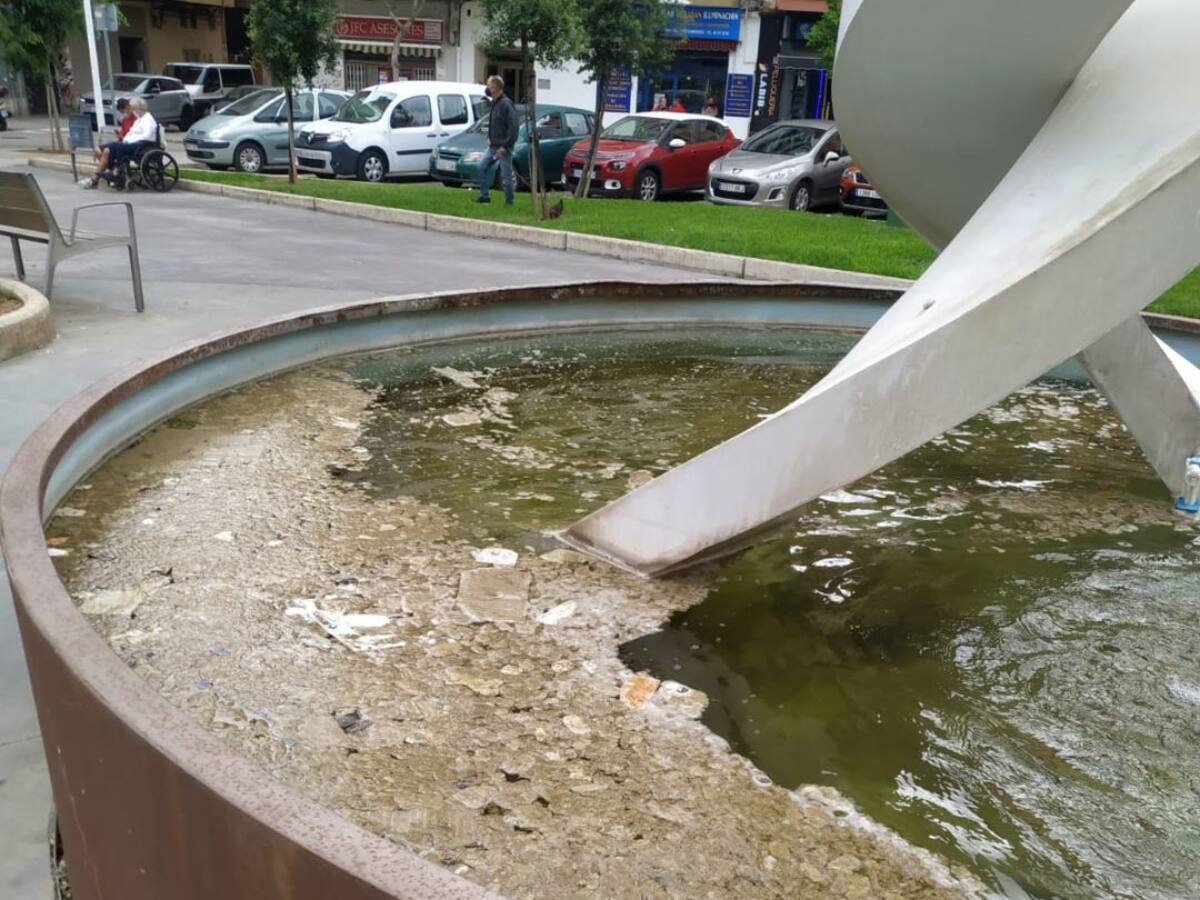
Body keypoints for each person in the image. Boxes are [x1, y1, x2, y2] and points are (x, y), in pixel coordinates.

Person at [80, 96, 158, 189]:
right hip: (131, 143)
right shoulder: (139, 119)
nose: (133, 111)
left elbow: (146, 136)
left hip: (141, 145)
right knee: (111, 147)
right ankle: (107, 163)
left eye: (134, 109)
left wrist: (128, 140)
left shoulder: (148, 119)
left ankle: (115, 172)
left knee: (117, 146)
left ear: (139, 108)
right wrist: (126, 139)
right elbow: (130, 133)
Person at [477, 75, 518, 206]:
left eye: (489, 86)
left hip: (503, 148)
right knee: (482, 167)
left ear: (495, 88)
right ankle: (484, 197)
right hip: (493, 146)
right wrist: (489, 137)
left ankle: (509, 202)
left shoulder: (506, 104)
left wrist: (505, 146)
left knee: (506, 176)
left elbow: (513, 128)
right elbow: (494, 124)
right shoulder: (495, 103)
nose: (487, 88)